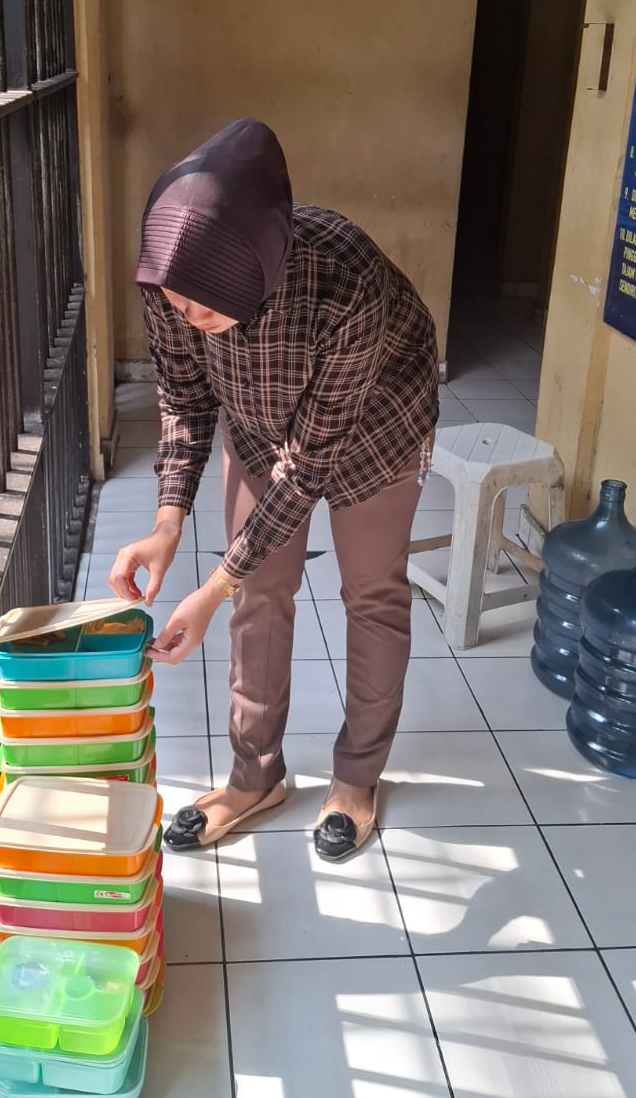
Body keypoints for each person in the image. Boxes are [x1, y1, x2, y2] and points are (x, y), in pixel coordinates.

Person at [109, 119, 439, 861]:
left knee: (371, 593)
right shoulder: (172, 278)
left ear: (255, 275)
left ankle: (356, 778)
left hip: (378, 426)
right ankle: (254, 778)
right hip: (260, 426)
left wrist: (211, 585)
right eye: (176, 304)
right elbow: (184, 395)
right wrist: (168, 522)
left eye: (205, 308)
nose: (188, 318)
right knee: (258, 592)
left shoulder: (344, 280)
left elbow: (308, 468)